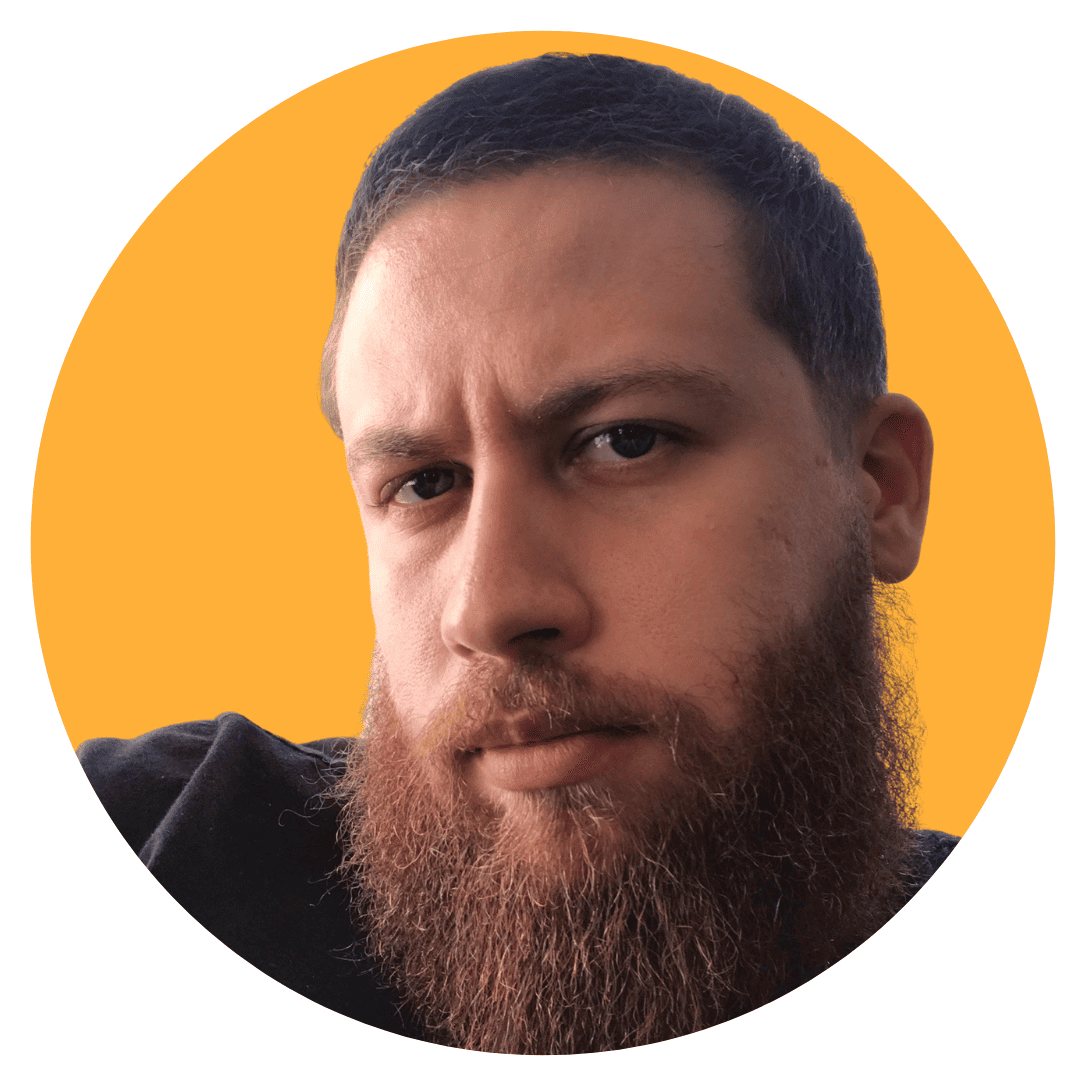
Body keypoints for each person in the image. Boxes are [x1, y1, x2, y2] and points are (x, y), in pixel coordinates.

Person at [78, 52, 956, 1054]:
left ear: (881, 487)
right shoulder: (149, 854)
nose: (492, 607)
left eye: (626, 441)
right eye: (423, 484)